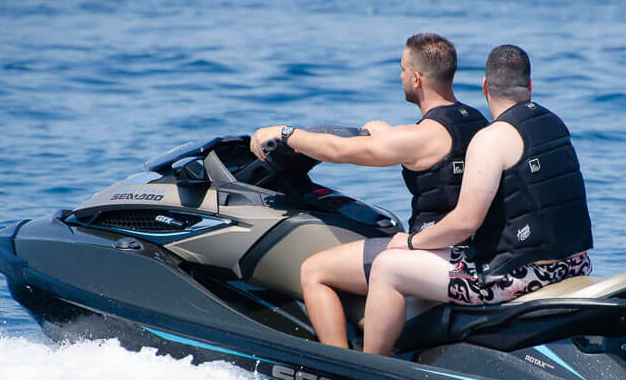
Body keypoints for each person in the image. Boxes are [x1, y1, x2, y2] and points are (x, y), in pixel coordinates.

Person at [249, 34, 488, 348]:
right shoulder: (475, 121)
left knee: (314, 270)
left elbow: (338, 150)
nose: (401, 76)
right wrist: (384, 132)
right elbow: (427, 149)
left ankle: (341, 366)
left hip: (433, 249)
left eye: (403, 70)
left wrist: (284, 133)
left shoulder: (422, 136)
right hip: (470, 249)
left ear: (417, 78)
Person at [360, 45, 593, 355]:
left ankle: (371, 368)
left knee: (388, 267)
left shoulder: (491, 138)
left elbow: (465, 223)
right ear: (530, 86)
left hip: (517, 276)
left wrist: (413, 242)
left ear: (484, 87)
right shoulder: (554, 124)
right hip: (575, 264)